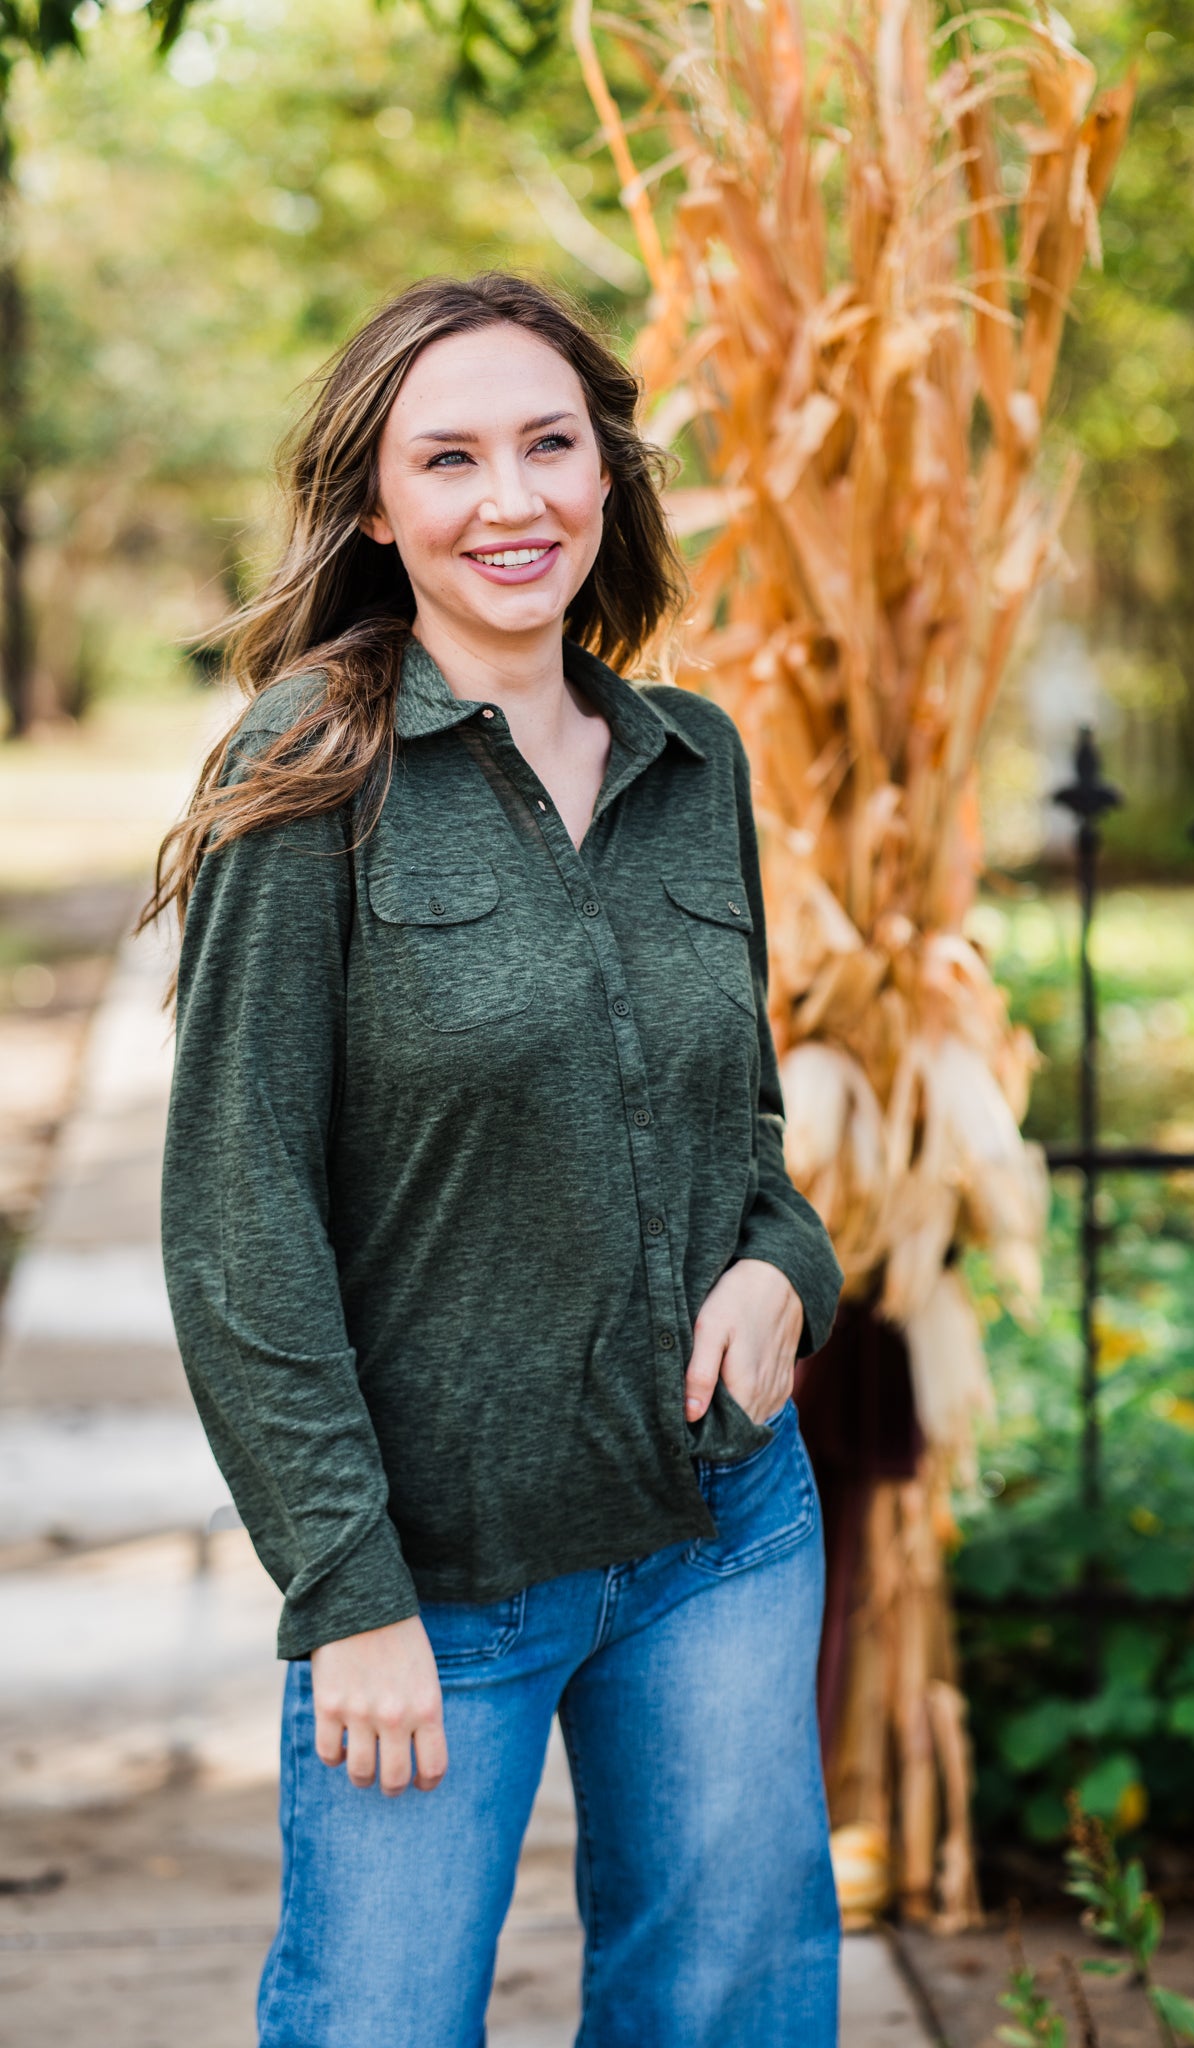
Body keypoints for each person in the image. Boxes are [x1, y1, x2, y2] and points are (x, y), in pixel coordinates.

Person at [146, 270, 846, 2048]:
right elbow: (239, 1217)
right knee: (375, 2023)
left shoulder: (695, 762)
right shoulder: (313, 767)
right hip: (431, 1575)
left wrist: (788, 1267)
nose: (509, 499)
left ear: (608, 471)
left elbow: (734, 1126)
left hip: (722, 1530)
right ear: (377, 509)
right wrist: (345, 1587)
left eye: (548, 445)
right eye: (446, 459)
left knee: (729, 2014)